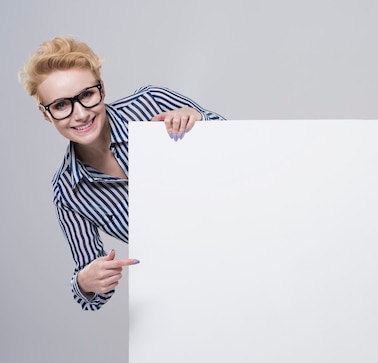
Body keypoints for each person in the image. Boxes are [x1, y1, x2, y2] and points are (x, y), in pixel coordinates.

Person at [18, 36, 224, 311]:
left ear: (101, 89)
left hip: (242, 233)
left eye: (87, 95)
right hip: (184, 285)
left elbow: (242, 144)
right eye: (60, 105)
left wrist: (201, 121)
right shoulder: (67, 193)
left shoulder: (151, 103)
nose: (79, 114)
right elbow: (94, 288)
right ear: (46, 115)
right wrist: (84, 282)